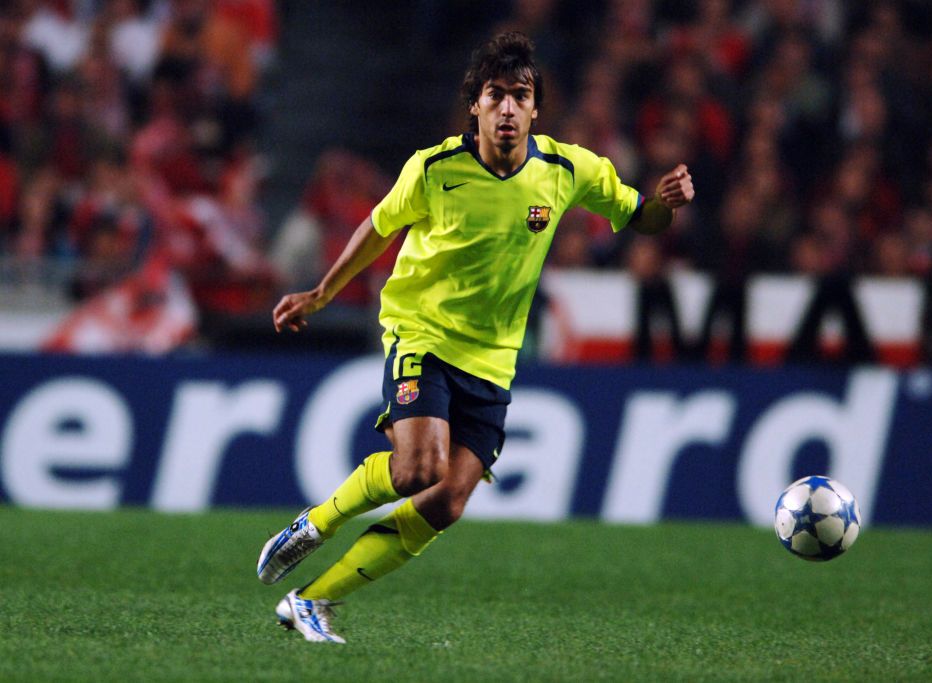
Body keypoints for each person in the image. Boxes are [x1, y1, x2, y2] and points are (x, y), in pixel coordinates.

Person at [257, 32, 695, 643]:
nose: (509, 108)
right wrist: (321, 293)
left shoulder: (568, 170)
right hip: (422, 332)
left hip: (492, 359)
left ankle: (310, 602)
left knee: (446, 502)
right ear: (477, 106)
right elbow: (378, 229)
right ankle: (318, 522)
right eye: (497, 96)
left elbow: (640, 214)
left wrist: (665, 204)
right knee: (418, 470)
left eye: (521, 96)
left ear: (536, 108)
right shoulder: (435, 169)